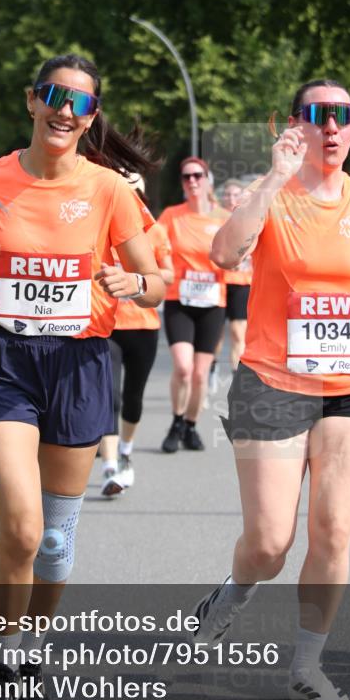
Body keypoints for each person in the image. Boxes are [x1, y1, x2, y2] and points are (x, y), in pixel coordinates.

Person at [0, 54, 164, 700]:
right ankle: (5, 659)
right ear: (31, 100)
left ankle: (34, 648)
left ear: (91, 117)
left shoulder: (108, 190)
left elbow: (153, 280)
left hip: (79, 366)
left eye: (81, 103)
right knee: (23, 528)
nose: (65, 110)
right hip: (5, 361)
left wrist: (133, 285)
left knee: (57, 546)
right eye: (54, 95)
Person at [192, 79, 350, 700]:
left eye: (343, 116)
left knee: (334, 529)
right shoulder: (274, 194)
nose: (331, 127)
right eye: (318, 115)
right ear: (296, 126)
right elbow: (224, 254)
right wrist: (272, 179)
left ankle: (307, 667)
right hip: (272, 386)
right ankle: (234, 592)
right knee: (270, 544)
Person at [99, 174, 174, 496]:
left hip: (143, 326)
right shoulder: (99, 227)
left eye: (135, 194)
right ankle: (110, 466)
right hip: (108, 326)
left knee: (133, 398)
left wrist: (141, 278)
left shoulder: (154, 231)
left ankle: (126, 451)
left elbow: (169, 273)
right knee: (109, 396)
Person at [158, 158, 229, 453]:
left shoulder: (224, 217)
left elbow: (236, 254)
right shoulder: (171, 216)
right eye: (186, 177)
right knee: (184, 368)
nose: (192, 181)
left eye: (198, 175)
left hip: (213, 302)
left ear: (208, 179)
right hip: (180, 300)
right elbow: (154, 247)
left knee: (201, 374)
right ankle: (176, 421)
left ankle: (190, 424)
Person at [209, 179, 253, 383]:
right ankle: (212, 366)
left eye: (236, 195)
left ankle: (237, 377)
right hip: (219, 283)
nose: (231, 198)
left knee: (238, 332)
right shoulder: (216, 217)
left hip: (242, 282)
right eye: (228, 194)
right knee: (216, 334)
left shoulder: (249, 217)